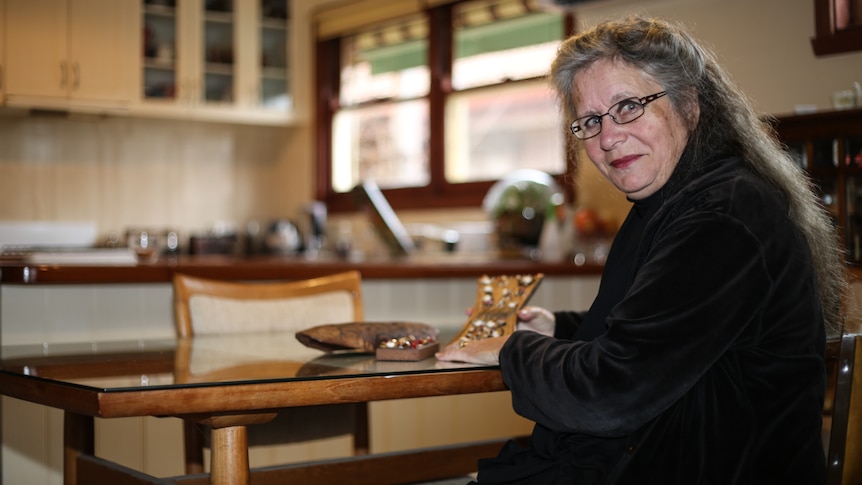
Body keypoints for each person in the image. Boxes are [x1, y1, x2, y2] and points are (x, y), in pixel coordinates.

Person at [436, 15, 847, 484]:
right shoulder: (672, 199)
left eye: (629, 106)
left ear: (690, 105)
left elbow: (610, 394)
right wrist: (558, 329)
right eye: (590, 121)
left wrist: (515, 350)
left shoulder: (722, 217)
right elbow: (654, 334)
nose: (608, 137)